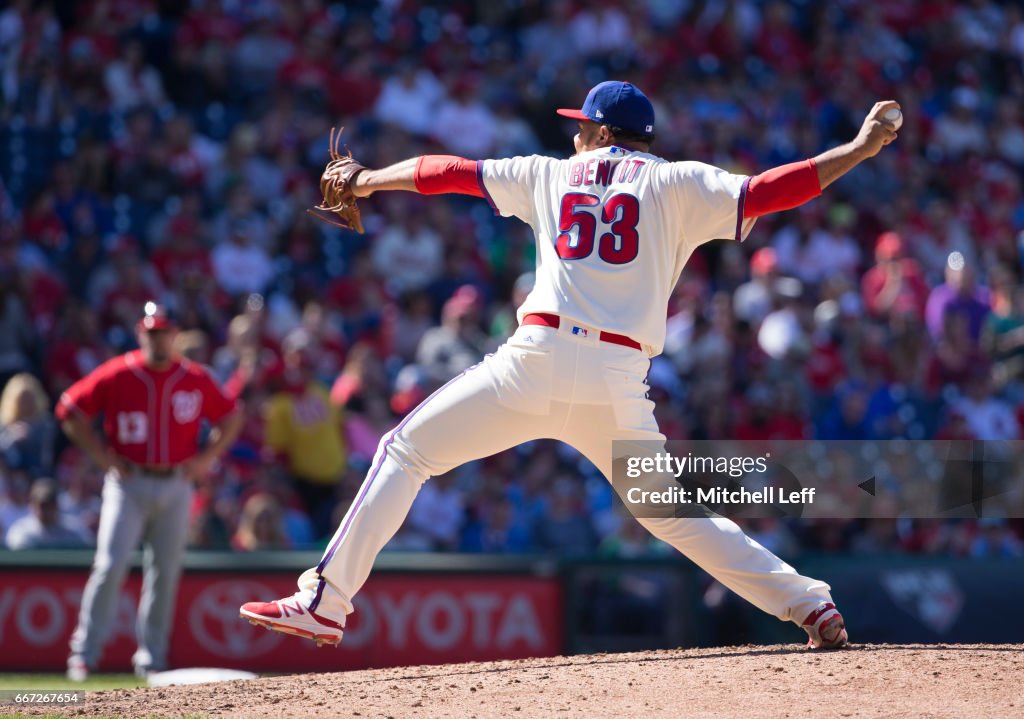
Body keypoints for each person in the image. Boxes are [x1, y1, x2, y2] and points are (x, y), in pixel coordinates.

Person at [242, 80, 901, 650]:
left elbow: (447, 172)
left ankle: (326, 603)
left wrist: (366, 179)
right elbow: (766, 193)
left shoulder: (548, 173)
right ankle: (806, 601)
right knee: (669, 511)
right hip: (617, 380)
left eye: (582, 126)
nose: (576, 136)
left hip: (538, 359)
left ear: (601, 131)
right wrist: (857, 151)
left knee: (407, 450)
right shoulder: (676, 180)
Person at [58, 302, 243, 680]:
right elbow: (69, 410)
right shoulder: (119, 373)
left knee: (165, 571)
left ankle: (151, 658)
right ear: (141, 334)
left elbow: (232, 416)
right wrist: (100, 456)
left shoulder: (193, 376)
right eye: (151, 332)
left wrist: (207, 458)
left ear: (174, 335)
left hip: (176, 482)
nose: (157, 339)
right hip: (128, 482)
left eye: (163, 332)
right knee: (110, 565)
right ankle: (85, 653)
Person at [4, 477, 92, 550]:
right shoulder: (21, 531)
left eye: (49, 505)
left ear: (57, 505)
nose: (44, 510)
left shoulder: (74, 529)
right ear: (31, 504)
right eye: (41, 505)